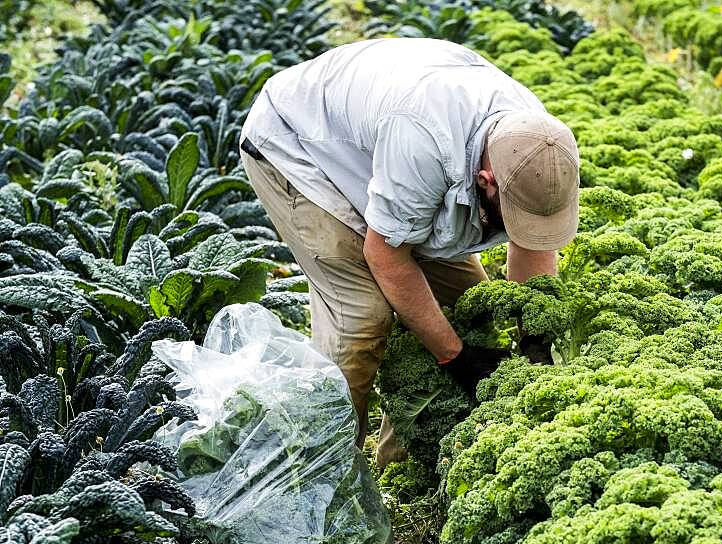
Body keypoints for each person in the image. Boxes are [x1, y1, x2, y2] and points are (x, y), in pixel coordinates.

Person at [239, 38, 579, 468]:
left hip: (388, 151)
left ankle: (401, 465)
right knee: (361, 319)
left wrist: (535, 339)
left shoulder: (540, 145)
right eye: (510, 214)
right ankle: (320, 477)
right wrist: (453, 357)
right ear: (486, 180)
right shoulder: (426, 142)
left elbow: (533, 249)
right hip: (300, 147)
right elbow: (387, 256)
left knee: (468, 310)